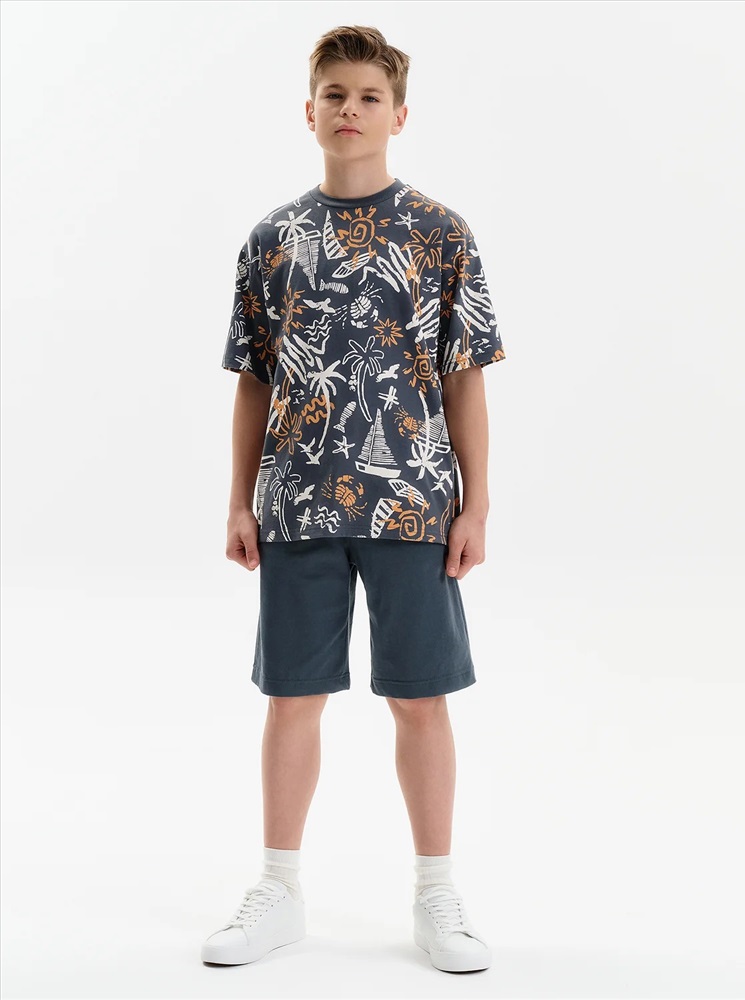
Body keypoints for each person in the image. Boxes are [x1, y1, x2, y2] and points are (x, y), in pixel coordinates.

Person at [201, 24, 506, 975]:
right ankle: (279, 888)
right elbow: (254, 380)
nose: (350, 109)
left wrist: (476, 505)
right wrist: (239, 499)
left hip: (413, 505)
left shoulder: (442, 233)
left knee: (421, 698)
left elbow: (464, 377)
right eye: (334, 94)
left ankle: (437, 893)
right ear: (309, 111)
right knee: (291, 697)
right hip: (296, 503)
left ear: (399, 115)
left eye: (369, 96)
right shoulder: (271, 239)